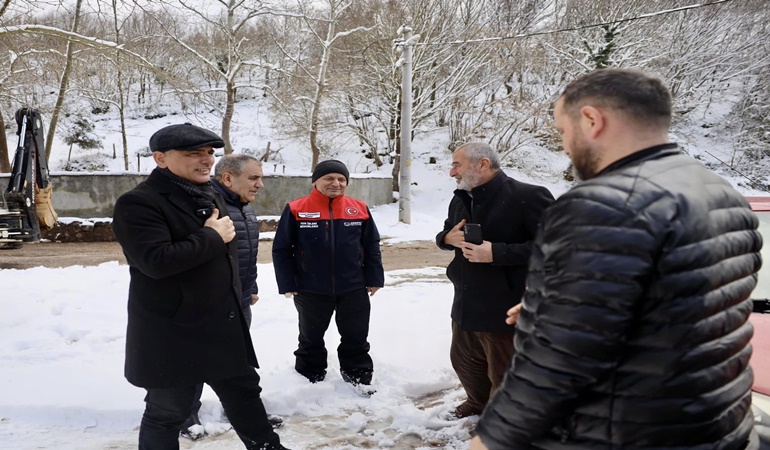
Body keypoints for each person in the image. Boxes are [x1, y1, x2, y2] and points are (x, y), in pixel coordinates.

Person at [471, 68, 762, 450]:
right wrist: (557, 302)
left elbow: (560, 356)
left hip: (620, 433)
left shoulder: (602, 203)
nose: (564, 147)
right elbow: (687, 307)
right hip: (716, 425)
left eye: (562, 131)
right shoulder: (719, 189)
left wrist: (494, 436)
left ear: (592, 120)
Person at [112, 123, 288, 450]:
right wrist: (211, 237)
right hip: (174, 331)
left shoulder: (208, 194)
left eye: (209, 152)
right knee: (168, 411)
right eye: (194, 153)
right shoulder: (138, 203)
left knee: (245, 397)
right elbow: (155, 261)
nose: (206, 159)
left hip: (221, 326)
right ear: (161, 158)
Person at [435, 142, 554, 420]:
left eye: (457, 164)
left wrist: (496, 252)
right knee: (465, 362)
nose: (452, 172)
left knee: (506, 371)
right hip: (466, 301)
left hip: (507, 303)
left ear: (483, 164)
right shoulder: (461, 197)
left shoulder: (529, 196)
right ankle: (478, 403)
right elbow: (446, 232)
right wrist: (445, 239)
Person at [178, 154, 276, 440]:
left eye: (261, 178)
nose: (260, 184)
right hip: (210, 305)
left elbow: (246, 256)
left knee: (239, 365)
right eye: (254, 178)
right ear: (228, 178)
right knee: (195, 361)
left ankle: (247, 413)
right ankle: (186, 415)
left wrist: (251, 287)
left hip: (240, 300)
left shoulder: (244, 208)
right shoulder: (208, 208)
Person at [272, 160, 384, 390]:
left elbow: (371, 245)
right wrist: (287, 282)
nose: (336, 183)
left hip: (353, 287)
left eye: (341, 179)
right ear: (316, 181)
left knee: (356, 336)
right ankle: (309, 376)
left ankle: (358, 376)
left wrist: (374, 278)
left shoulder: (359, 208)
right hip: (310, 288)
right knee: (310, 338)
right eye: (329, 178)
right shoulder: (296, 208)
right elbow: (281, 248)